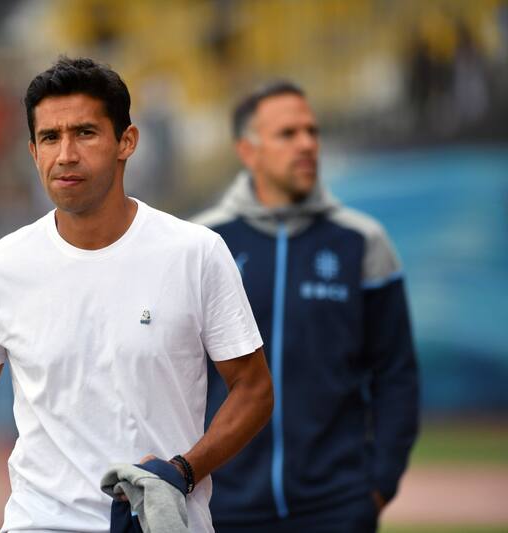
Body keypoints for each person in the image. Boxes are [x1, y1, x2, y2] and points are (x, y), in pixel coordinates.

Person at [0, 56, 274, 533]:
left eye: (85, 133)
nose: (65, 154)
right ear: (32, 151)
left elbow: (254, 390)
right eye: (50, 137)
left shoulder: (197, 253)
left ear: (126, 142)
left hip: (160, 525)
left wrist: (183, 471)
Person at [193, 81, 420, 532]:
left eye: (312, 132)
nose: (307, 144)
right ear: (248, 151)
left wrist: (378, 485)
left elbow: (396, 374)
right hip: (223, 508)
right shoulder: (202, 244)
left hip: (337, 507)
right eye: (288, 134)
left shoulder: (362, 241)